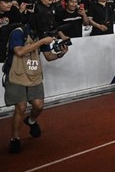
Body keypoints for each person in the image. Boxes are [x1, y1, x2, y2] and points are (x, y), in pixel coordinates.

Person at [4, 23, 68, 153]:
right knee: (20, 107)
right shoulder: (18, 33)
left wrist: (61, 53)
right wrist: (42, 41)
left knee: (38, 105)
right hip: (16, 74)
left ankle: (31, 121)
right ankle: (14, 139)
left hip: (34, 73)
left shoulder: (42, 35)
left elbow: (49, 57)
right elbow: (19, 51)